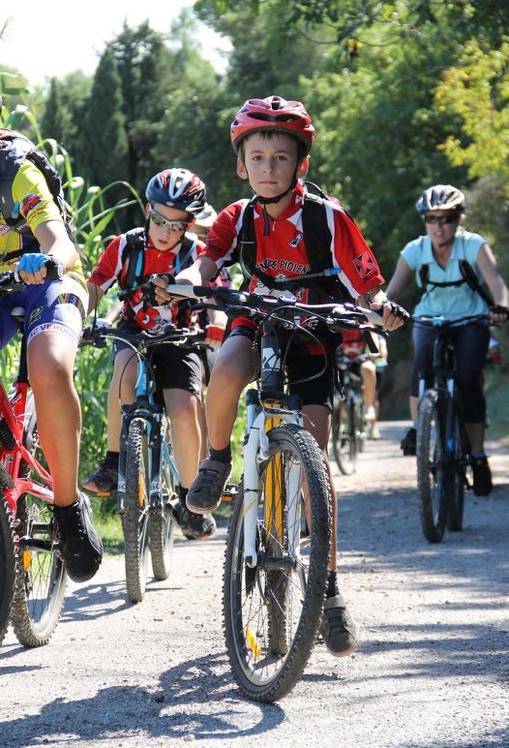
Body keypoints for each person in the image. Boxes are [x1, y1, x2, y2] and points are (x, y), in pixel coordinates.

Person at [154, 95, 408, 656]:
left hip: (314, 326)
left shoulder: (327, 217)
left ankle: (330, 590)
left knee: (314, 456)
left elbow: (367, 279)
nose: (269, 167)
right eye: (258, 157)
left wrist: (381, 305)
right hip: (258, 316)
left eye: (281, 157)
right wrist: (187, 279)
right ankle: (218, 459)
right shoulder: (235, 216)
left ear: (301, 165)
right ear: (241, 165)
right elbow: (209, 261)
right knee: (224, 369)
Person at [83, 168, 225, 541]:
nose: (165, 231)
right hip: (134, 332)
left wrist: (218, 324)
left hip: (181, 338)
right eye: (159, 220)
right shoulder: (125, 246)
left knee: (183, 408)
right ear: (147, 210)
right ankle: (114, 463)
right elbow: (95, 286)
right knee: (122, 371)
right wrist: (76, 314)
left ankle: (190, 498)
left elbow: (217, 295)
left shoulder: (198, 255)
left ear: (190, 225)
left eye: (176, 225)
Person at [0, 97, 103, 582]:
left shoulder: (15, 170)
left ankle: (66, 507)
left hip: (49, 278)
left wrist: (47, 258)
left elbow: (57, 239)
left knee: (49, 366)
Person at [385, 184, 509, 495]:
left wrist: (501, 306)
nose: (439, 226)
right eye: (432, 219)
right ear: (425, 221)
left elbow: (496, 283)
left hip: (471, 320)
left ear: (459, 220)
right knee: (420, 367)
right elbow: (391, 293)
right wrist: (384, 311)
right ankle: (418, 430)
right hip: (429, 319)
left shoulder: (474, 246)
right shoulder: (415, 250)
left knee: (468, 381)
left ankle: (478, 457)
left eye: (447, 219)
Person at [338, 330, 388, 440]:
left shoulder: (364, 321)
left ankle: (369, 410)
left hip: (361, 361)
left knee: (369, 373)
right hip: (340, 361)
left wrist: (376, 353)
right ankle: (339, 427)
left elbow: (378, 346)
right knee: (340, 396)